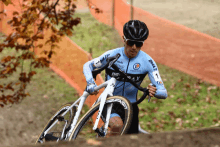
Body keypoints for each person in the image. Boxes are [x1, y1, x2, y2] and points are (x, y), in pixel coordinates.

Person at [83, 20, 168, 136]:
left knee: (129, 141)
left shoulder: (147, 61)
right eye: (131, 42)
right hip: (110, 102)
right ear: (124, 39)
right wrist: (90, 83)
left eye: (139, 44)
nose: (134, 47)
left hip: (131, 107)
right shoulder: (112, 55)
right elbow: (88, 65)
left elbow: (163, 92)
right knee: (117, 126)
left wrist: (155, 90)